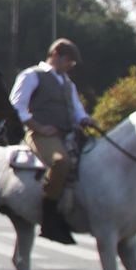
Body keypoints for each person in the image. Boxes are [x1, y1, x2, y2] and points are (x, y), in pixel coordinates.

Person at [10, 38, 92, 245]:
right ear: (55, 54)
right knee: (60, 161)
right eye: (68, 62)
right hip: (41, 134)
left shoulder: (67, 82)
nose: (70, 67)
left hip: (66, 133)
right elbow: (16, 107)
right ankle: (49, 218)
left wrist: (85, 119)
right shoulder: (32, 76)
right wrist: (38, 127)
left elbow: (76, 109)